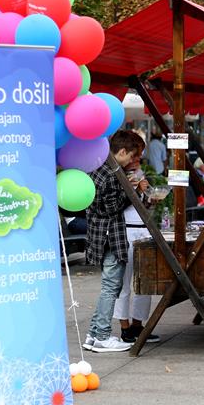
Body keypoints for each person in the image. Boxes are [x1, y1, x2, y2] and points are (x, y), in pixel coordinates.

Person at [83, 130, 149, 353]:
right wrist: (130, 189)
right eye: (132, 156)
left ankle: (93, 334)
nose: (133, 161)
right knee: (111, 287)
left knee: (109, 287)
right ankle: (102, 335)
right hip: (111, 236)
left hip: (101, 236)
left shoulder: (100, 166)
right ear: (121, 151)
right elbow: (112, 208)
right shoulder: (111, 173)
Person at [113, 162, 160, 345]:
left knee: (145, 282)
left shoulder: (139, 174)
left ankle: (138, 324)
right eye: (137, 154)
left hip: (144, 230)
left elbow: (142, 207)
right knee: (123, 283)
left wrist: (149, 197)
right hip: (126, 232)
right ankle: (125, 328)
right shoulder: (117, 175)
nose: (139, 159)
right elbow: (119, 205)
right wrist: (134, 189)